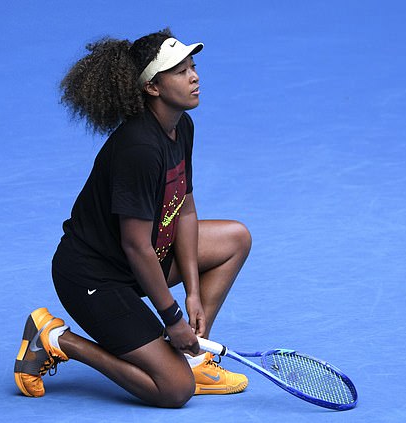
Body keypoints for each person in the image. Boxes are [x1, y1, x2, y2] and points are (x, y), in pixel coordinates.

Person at [13, 28, 252, 408]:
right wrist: (172, 318)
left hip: (140, 262)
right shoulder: (138, 148)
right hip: (94, 277)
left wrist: (192, 293)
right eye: (180, 71)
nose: (194, 76)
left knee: (235, 238)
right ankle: (57, 340)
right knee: (175, 390)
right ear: (152, 88)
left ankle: (194, 358)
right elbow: (135, 245)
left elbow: (185, 210)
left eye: (193, 66)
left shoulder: (181, 126)